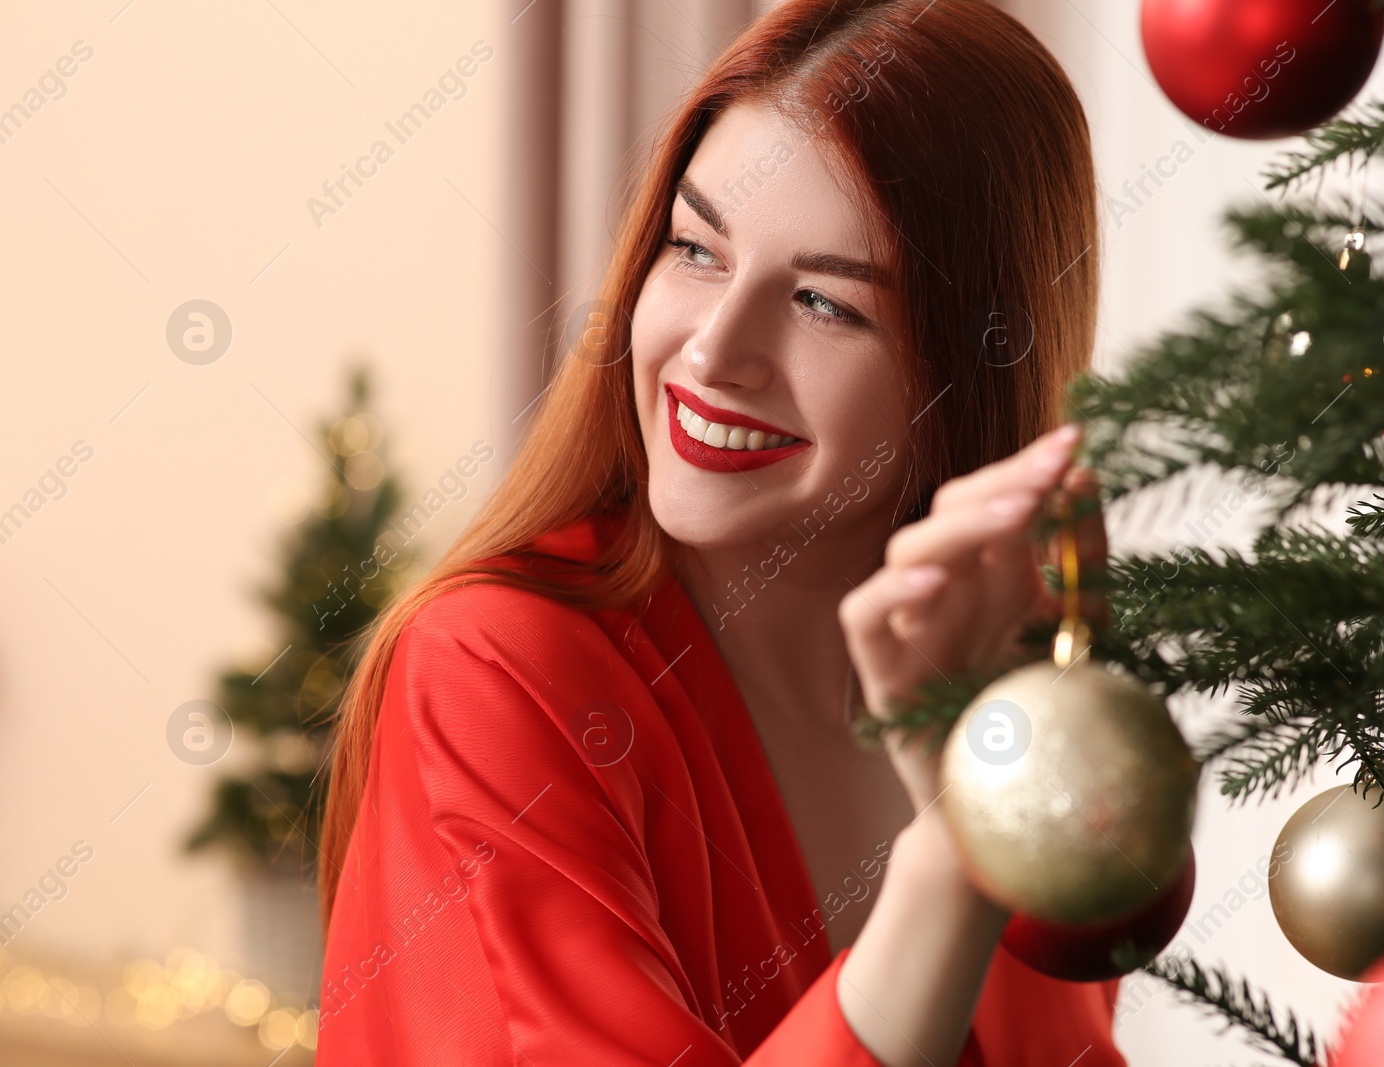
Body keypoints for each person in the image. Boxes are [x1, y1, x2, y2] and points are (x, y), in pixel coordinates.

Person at [315, 0, 1118, 1063]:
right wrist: (950, 865)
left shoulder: (1017, 713)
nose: (713, 350)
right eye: (696, 249)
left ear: (969, 378)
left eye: (826, 303)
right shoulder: (492, 670)